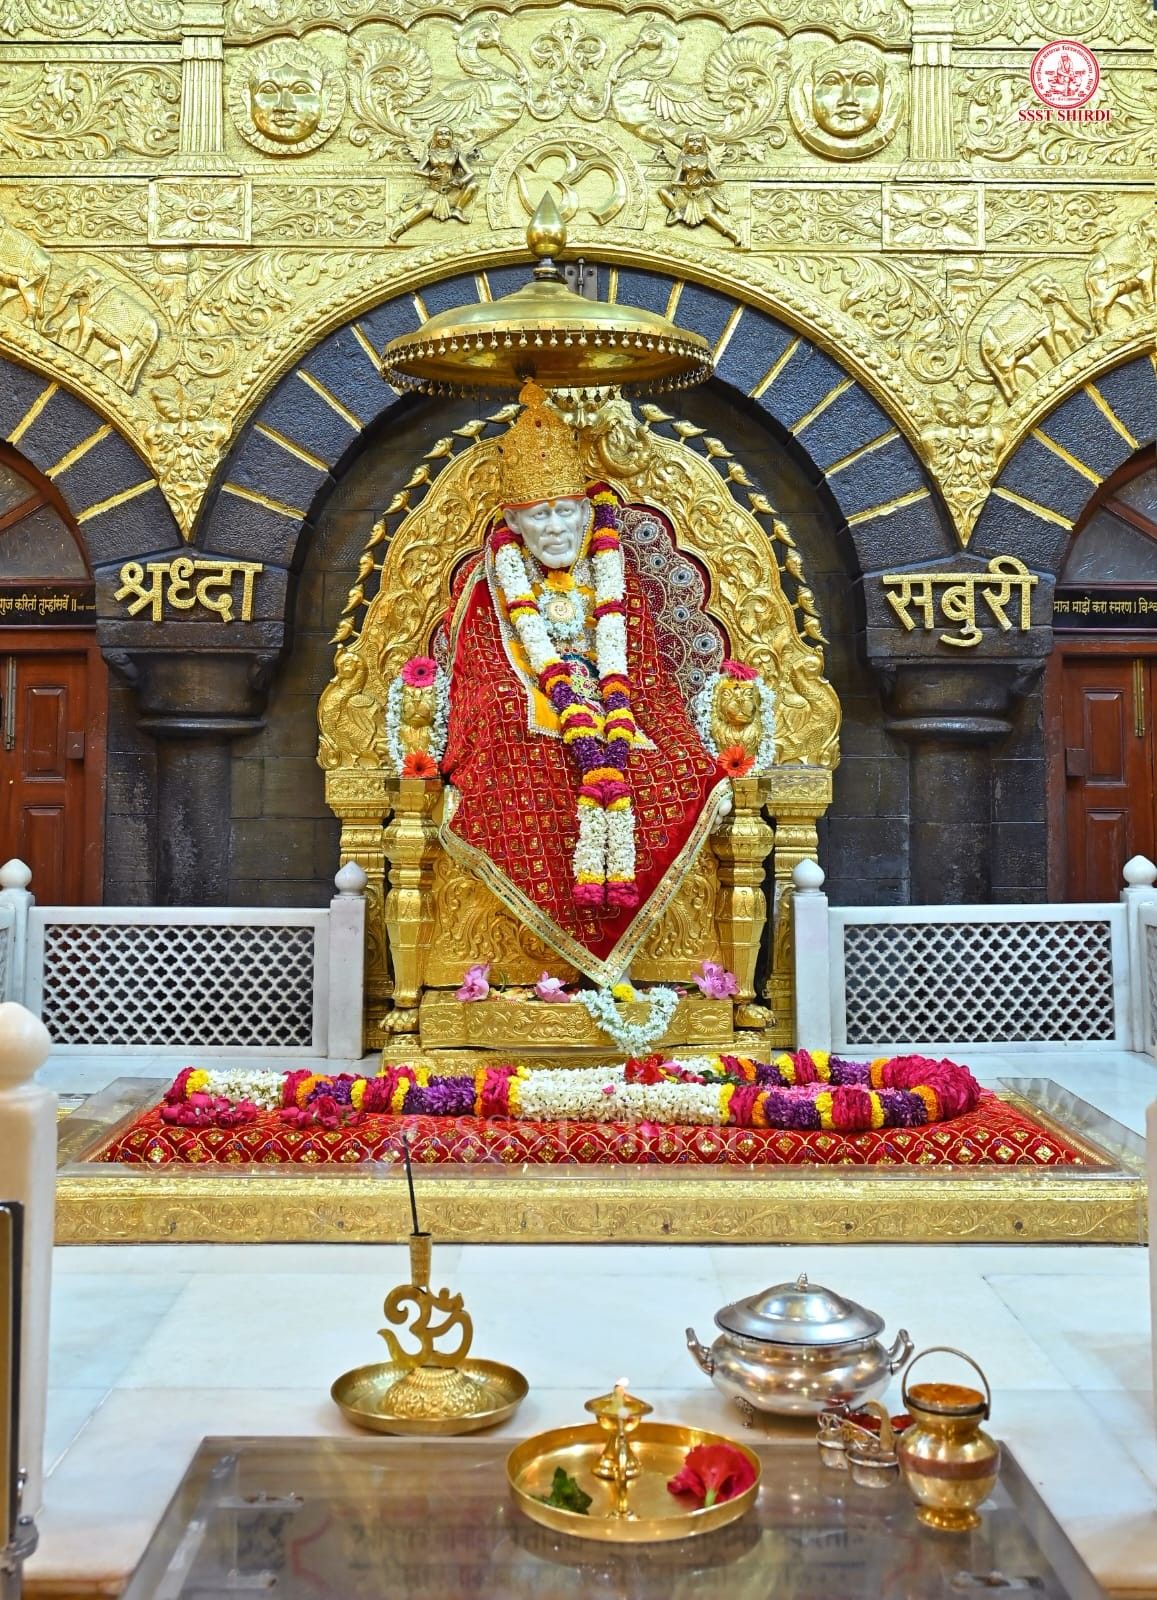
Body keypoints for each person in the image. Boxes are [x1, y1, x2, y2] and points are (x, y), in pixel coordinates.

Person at [438, 383, 729, 981]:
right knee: (515, 761)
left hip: (620, 711)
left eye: (565, 510)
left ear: (586, 512)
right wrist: (547, 700)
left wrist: (613, 709)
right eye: (539, 514)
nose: (554, 527)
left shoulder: (614, 575)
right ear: (515, 523)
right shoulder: (490, 580)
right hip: (532, 710)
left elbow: (645, 671)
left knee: (679, 767)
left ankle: (663, 965)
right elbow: (483, 674)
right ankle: (523, 967)